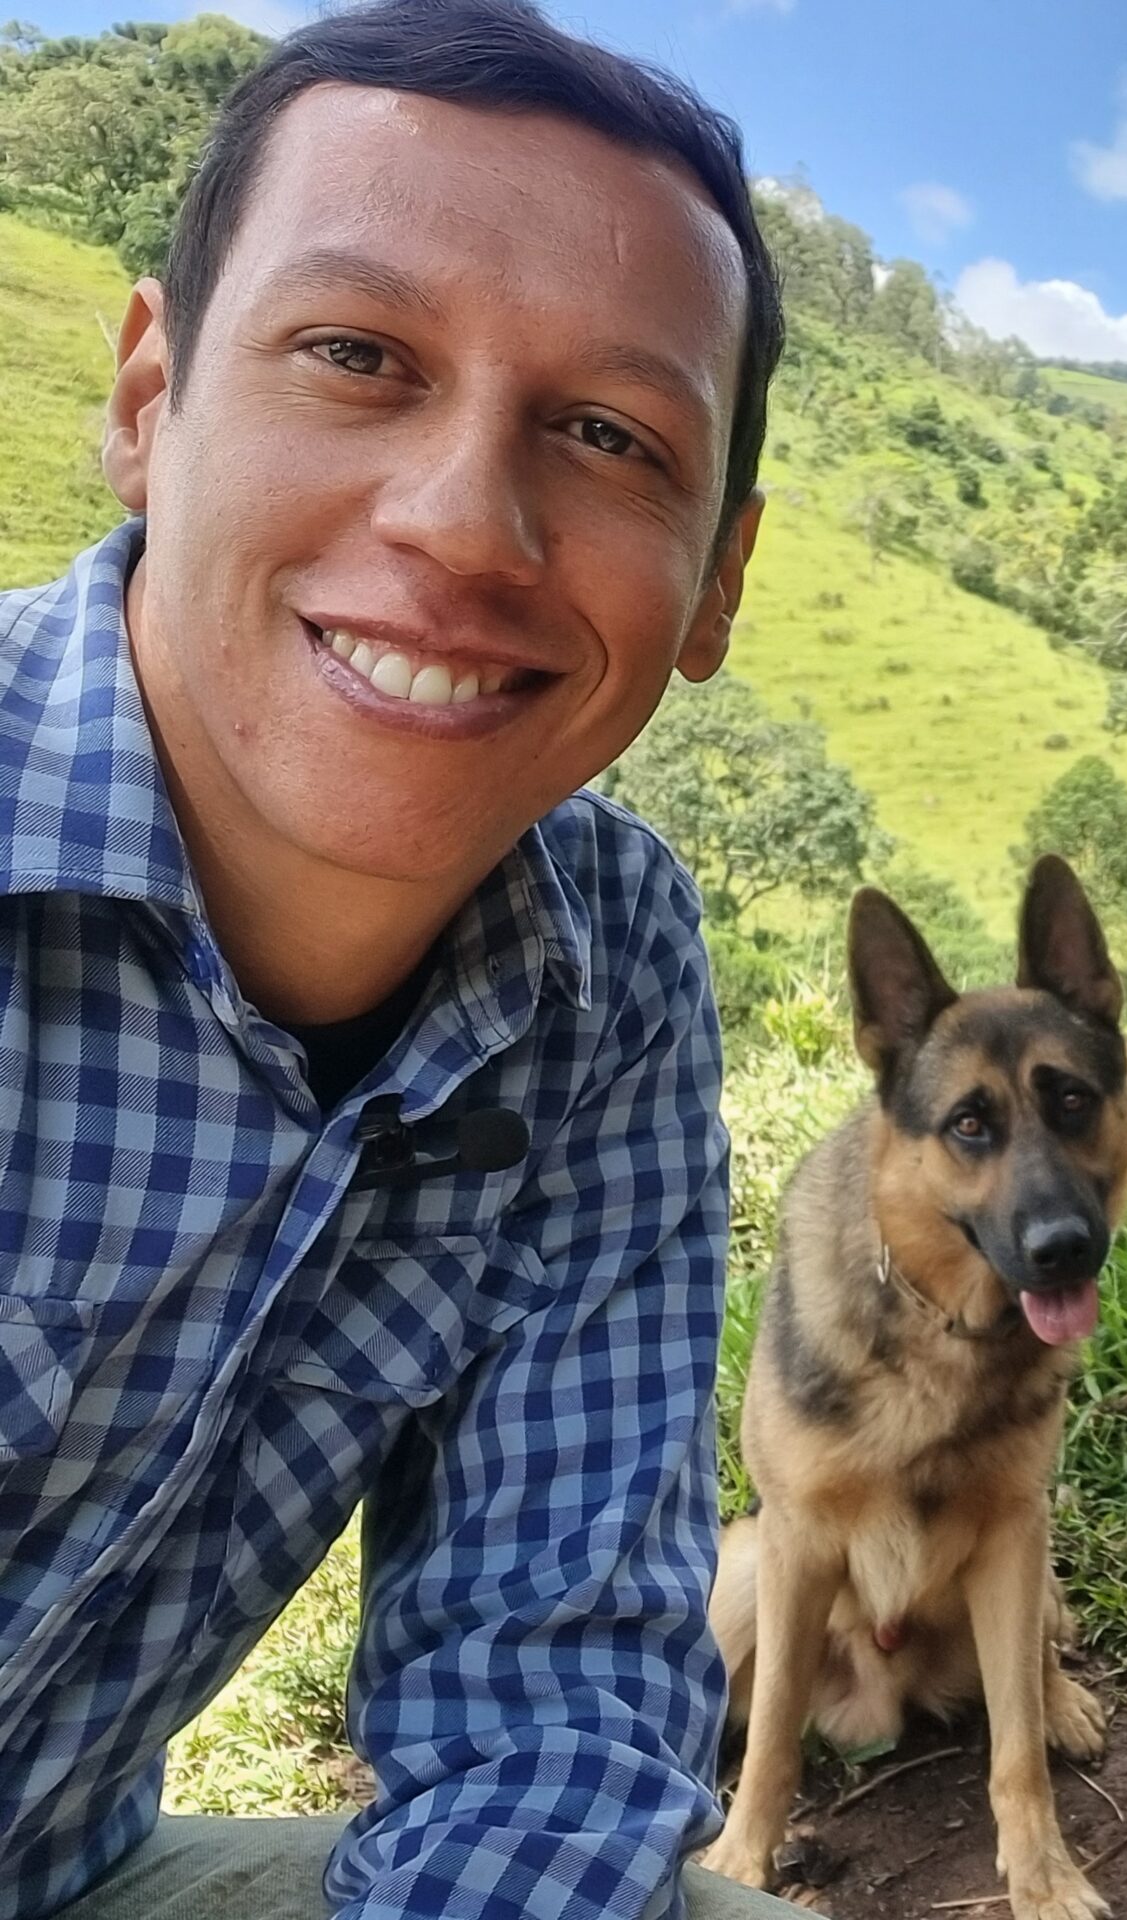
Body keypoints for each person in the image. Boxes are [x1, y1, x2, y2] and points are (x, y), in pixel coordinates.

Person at [0, 2, 804, 1913]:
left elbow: (552, 1702)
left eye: (607, 435)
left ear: (716, 584)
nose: (464, 527)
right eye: (358, 356)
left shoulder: (605, 966)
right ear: (148, 400)